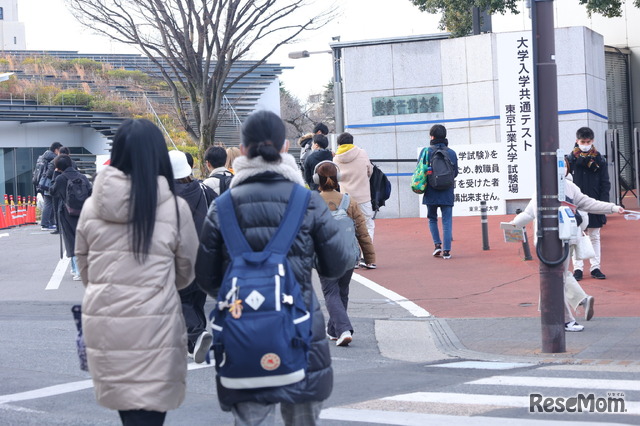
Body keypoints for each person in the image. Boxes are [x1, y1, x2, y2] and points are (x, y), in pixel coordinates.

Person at [195, 110, 351, 426]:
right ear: (285, 147)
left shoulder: (222, 207)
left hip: (242, 334)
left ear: (242, 149)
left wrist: (246, 293)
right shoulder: (307, 202)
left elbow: (207, 277)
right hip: (301, 331)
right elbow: (338, 262)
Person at [75, 119, 199, 425]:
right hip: (156, 324)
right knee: (151, 416)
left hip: (106, 322)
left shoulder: (93, 206)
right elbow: (187, 272)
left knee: (128, 414)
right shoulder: (174, 207)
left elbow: (87, 271)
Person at [511, 163, 623, 332]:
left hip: (562, 240)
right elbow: (529, 212)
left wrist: (613, 208)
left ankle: (563, 316)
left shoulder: (569, 187)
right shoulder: (543, 187)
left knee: (555, 278)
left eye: (563, 164)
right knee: (557, 277)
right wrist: (512, 225)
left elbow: (589, 203)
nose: (560, 168)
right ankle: (572, 308)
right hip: (553, 241)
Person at [315, 160, 375, 347]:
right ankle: (333, 330)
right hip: (349, 256)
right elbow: (362, 232)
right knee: (342, 292)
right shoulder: (349, 202)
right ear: (338, 178)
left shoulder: (311, 202)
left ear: (316, 179)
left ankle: (343, 329)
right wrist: (370, 257)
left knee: (331, 293)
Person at [169, 150, 216, 364]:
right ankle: (194, 343)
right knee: (196, 298)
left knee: (179, 299)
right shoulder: (204, 189)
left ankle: (197, 335)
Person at [567, 127, 611, 281]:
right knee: (576, 236)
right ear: (577, 141)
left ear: (592, 141)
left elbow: (605, 183)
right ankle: (577, 269)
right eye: (582, 142)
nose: (585, 144)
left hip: (595, 202)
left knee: (595, 236)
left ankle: (595, 267)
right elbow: (564, 182)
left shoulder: (599, 159)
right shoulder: (570, 159)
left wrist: (604, 205)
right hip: (575, 203)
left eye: (588, 142)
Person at [50, 154, 90, 281]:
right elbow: (91, 192)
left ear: (58, 167)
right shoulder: (82, 176)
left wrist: (55, 175)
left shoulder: (61, 178)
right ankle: (80, 269)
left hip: (67, 212)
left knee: (71, 240)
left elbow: (53, 192)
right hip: (83, 212)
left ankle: (77, 270)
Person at [422, 124, 458, 259]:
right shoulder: (451, 153)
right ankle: (447, 251)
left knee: (432, 218)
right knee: (447, 220)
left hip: (431, 190)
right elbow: (455, 173)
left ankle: (437, 245)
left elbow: (420, 171)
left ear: (432, 136)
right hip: (447, 191)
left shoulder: (426, 151)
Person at [333, 132, 375, 242]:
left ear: (339, 144)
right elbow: (370, 171)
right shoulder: (362, 153)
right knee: (367, 225)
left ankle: (353, 253)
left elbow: (336, 178)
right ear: (352, 142)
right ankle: (365, 255)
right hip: (363, 197)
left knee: (349, 226)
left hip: (346, 199)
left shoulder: (336, 159)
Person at [37, 141, 62, 231]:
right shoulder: (54, 158)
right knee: (49, 203)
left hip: (44, 183)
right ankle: (45, 224)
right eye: (59, 150)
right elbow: (49, 173)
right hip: (49, 184)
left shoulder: (46, 156)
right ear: (56, 150)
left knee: (50, 203)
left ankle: (50, 223)